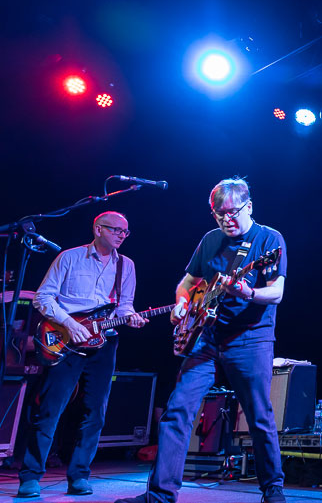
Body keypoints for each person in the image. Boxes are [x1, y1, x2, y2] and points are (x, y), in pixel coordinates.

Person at [116, 178, 287, 503]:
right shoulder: (210, 240)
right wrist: (182, 302)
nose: (227, 220)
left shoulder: (269, 240)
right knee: (177, 410)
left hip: (250, 339)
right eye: (219, 215)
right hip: (206, 339)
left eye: (232, 213)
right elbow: (189, 280)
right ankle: (160, 495)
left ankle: (273, 490)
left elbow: (277, 292)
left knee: (258, 416)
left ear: (249, 206)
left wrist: (248, 292)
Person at [18, 212, 147, 498]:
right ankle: (30, 476)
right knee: (51, 409)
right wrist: (70, 324)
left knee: (96, 413)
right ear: (98, 229)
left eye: (126, 232)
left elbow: (124, 306)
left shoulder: (127, 266)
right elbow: (43, 297)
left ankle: (79, 475)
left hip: (104, 344)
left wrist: (132, 317)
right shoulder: (69, 257)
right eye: (116, 230)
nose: (121, 236)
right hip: (65, 340)